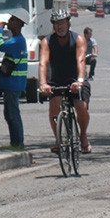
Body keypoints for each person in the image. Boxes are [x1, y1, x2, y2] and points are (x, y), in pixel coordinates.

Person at [39, 8, 90, 154]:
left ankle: (83, 135)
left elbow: (81, 60)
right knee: (54, 104)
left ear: (68, 23)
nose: (59, 27)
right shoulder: (47, 41)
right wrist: (43, 84)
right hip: (56, 80)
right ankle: (58, 139)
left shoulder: (78, 39)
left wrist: (80, 81)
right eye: (56, 24)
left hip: (76, 79)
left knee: (80, 106)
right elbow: (43, 63)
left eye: (62, 23)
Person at [0, 10, 29, 149]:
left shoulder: (17, 41)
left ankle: (18, 142)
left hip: (13, 84)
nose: (9, 21)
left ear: (20, 24)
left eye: (13, 19)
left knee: (13, 115)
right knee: (9, 114)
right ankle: (14, 142)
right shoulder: (17, 40)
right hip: (12, 84)